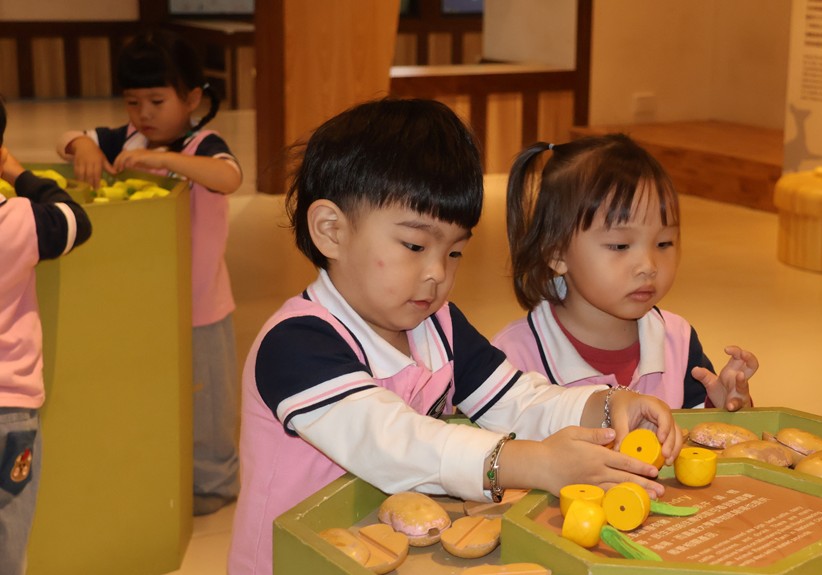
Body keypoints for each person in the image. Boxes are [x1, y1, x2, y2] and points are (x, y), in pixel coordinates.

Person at [228, 98, 685, 575]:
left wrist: (607, 406)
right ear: (331, 231)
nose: (436, 273)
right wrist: (535, 463)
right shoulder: (295, 344)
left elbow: (518, 400)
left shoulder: (440, 326)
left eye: (454, 253)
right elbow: (393, 444)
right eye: (415, 245)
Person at [55, 30, 244, 515]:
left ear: (192, 98)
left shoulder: (203, 144)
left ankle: (214, 483)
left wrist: (162, 159)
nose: (144, 114)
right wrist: (83, 146)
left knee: (208, 400)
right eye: (132, 102)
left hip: (201, 305)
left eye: (157, 101)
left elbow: (229, 176)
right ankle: (160, 474)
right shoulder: (125, 138)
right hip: (144, 305)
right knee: (153, 392)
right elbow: (66, 139)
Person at [493, 134, 757, 411]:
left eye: (664, 243)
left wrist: (723, 407)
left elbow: (699, 427)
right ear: (556, 253)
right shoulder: (512, 358)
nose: (648, 266)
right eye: (620, 246)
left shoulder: (677, 341)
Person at [1, 98, 93, 575]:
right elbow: (75, 219)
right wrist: (17, 173)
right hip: (9, 410)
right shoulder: (18, 220)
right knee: (8, 532)